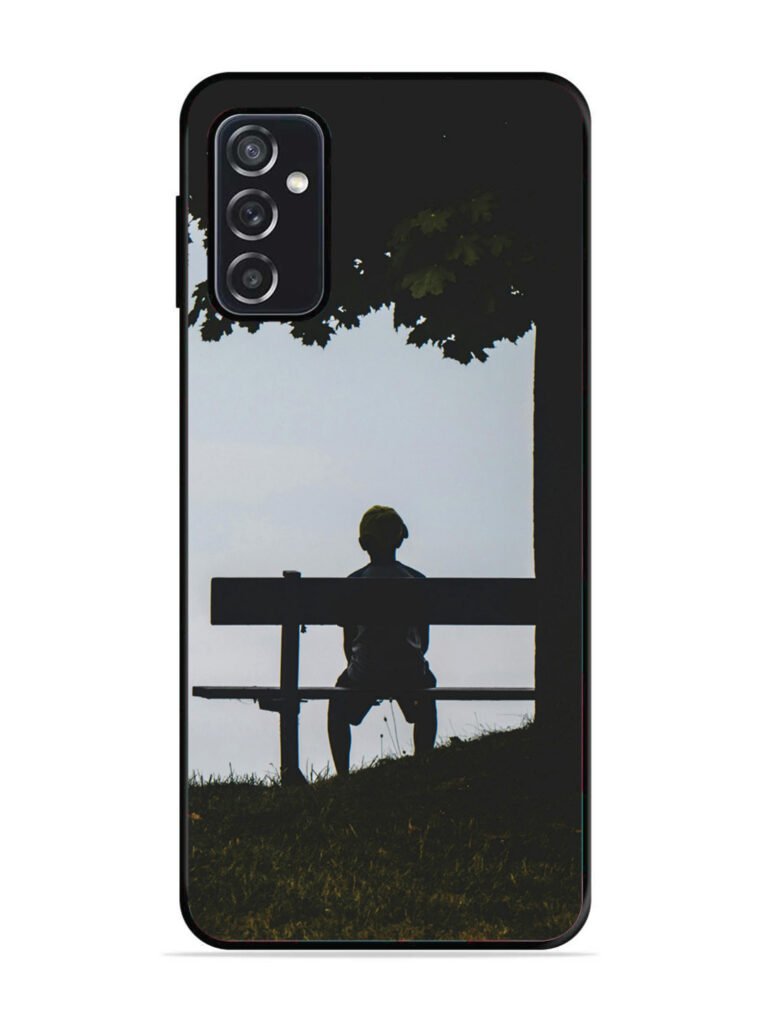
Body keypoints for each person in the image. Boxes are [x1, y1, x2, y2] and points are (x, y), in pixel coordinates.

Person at [328, 505, 437, 776]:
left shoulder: (353, 584)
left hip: (366, 671)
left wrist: (361, 667)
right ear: (399, 540)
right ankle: (423, 764)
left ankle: (343, 775)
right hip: (409, 671)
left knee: (337, 704)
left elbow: (348, 643)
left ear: (363, 544)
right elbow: (424, 642)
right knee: (427, 689)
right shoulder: (417, 581)